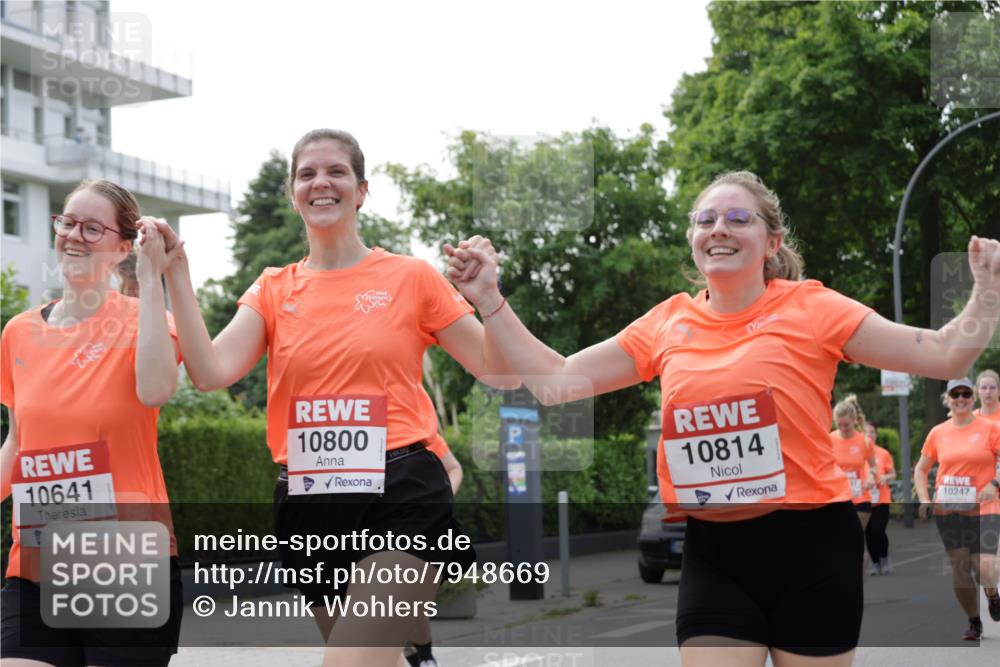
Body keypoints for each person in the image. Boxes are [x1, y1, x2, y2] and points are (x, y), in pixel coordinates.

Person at [444, 169, 1000, 666]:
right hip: (715, 550)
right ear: (692, 239)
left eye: (739, 218)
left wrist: (987, 292)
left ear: (772, 242)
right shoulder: (667, 322)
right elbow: (556, 383)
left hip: (812, 547)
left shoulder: (811, 307)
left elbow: (942, 354)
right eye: (705, 219)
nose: (719, 229)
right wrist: (490, 301)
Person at [148, 129, 515, 667]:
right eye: (307, 174)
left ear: (361, 190)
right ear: (292, 191)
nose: (321, 182)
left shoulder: (410, 277)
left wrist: (488, 300)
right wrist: (175, 272)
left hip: (401, 493)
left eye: (336, 172)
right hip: (307, 502)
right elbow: (209, 372)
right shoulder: (273, 287)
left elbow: (499, 371)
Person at [0, 179, 183, 666]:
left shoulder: (146, 319)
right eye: (68, 221)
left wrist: (150, 276)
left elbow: (156, 390)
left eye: (93, 228)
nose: (74, 235)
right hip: (37, 565)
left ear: (122, 247)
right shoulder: (18, 333)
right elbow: (18, 444)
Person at [915, 378, 1000, 640]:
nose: (960, 398)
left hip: (985, 505)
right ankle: (975, 621)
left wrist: (994, 483)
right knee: (961, 566)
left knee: (984, 566)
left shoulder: (990, 429)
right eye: (955, 394)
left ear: (972, 397)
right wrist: (924, 498)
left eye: (965, 393)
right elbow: (921, 469)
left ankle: (992, 593)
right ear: (948, 398)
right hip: (949, 508)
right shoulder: (938, 432)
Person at [405, 433, 463, 667]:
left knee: (410, 606)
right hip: (363, 530)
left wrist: (438, 503)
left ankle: (426, 657)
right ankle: (412, 656)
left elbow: (454, 468)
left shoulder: (417, 431)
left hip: (419, 528)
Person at [830, 395, 877, 530]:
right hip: (837, 496)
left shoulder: (864, 441)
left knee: (856, 536)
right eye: (839, 425)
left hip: (860, 496)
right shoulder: (829, 439)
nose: (843, 428)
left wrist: (871, 477)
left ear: (854, 420)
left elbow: (873, 467)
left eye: (846, 425)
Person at [864, 422, 896, 575]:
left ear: (876, 435)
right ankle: (875, 563)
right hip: (864, 499)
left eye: (872, 432)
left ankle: (884, 558)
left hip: (881, 499)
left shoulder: (883, 453)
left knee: (878, 531)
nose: (869, 435)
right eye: (866, 432)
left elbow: (893, 474)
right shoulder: (857, 454)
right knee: (868, 534)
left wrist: (885, 477)